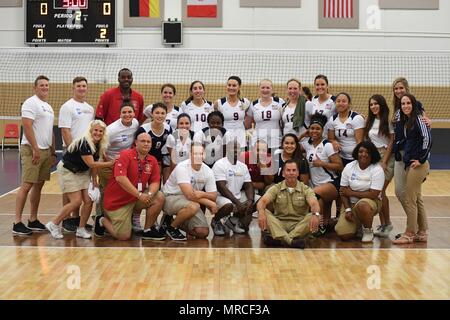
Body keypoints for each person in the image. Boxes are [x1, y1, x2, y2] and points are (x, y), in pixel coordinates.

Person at [46, 120, 114, 239]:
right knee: (76, 201)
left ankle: (81, 229)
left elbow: (94, 164)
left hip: (82, 171)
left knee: (89, 200)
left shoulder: (99, 145)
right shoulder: (84, 142)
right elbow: (92, 164)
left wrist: (94, 180)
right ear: (90, 131)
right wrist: (111, 163)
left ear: (104, 133)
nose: (98, 133)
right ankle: (54, 224)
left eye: (101, 131)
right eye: (95, 130)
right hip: (68, 170)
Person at [94, 131, 165, 241]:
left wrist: (149, 194)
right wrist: (139, 194)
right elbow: (120, 178)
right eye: (143, 141)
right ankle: (102, 219)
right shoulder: (125, 155)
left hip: (135, 198)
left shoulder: (152, 160)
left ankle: (147, 230)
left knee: (159, 197)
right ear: (136, 142)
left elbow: (155, 182)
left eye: (148, 142)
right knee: (124, 236)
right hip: (117, 202)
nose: (146, 144)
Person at [13, 75, 56, 235]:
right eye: (42, 85)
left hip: (45, 151)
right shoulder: (30, 103)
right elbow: (27, 126)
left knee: (39, 185)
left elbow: (50, 130)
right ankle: (17, 222)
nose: (45, 87)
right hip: (32, 150)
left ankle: (33, 219)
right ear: (35, 87)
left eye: (46, 85)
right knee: (26, 185)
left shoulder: (48, 106)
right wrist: (35, 148)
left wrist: (52, 151)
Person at [393, 94, 432, 244]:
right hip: (410, 163)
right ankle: (422, 232)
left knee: (409, 198)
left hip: (418, 164)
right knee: (416, 198)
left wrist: (421, 159)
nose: (405, 106)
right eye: (403, 104)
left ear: (413, 104)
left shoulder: (418, 119)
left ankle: (409, 233)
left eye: (408, 103)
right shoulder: (406, 121)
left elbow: (428, 139)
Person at [58, 76, 95, 232]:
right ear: (73, 88)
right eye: (79, 85)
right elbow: (65, 130)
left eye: (84, 86)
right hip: (72, 152)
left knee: (81, 187)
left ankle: (76, 218)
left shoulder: (90, 108)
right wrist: (73, 149)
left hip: (86, 152)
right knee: (69, 188)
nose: (81, 88)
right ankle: (66, 219)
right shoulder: (67, 106)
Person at [256, 160, 321, 248]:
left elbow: (314, 203)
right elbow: (262, 201)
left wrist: (315, 214)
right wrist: (261, 212)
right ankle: (291, 241)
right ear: (283, 173)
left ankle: (281, 240)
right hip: (279, 224)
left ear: (298, 173)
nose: (291, 173)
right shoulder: (276, 188)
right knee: (264, 212)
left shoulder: (305, 189)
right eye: (288, 170)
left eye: (294, 170)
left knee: (314, 215)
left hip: (298, 226)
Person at [96, 101, 140, 226]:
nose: (127, 114)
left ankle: (123, 218)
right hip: (108, 164)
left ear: (134, 113)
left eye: (129, 112)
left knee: (125, 190)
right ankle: (100, 218)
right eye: (124, 112)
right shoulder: (111, 130)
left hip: (125, 164)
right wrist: (109, 163)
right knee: (107, 191)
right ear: (119, 114)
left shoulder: (135, 123)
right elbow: (101, 148)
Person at [161, 143, 217, 240]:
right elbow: (190, 195)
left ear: (205, 155)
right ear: (190, 154)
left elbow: (214, 195)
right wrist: (210, 203)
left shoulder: (208, 171)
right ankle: (171, 227)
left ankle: (173, 223)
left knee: (203, 232)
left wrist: (203, 193)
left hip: (190, 201)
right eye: (195, 153)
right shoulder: (182, 167)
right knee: (194, 206)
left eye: (201, 153)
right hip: (170, 197)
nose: (198, 156)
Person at [391, 77, 429, 217]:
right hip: (400, 154)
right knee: (408, 194)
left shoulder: (415, 104)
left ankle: (415, 226)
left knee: (407, 193)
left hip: (410, 154)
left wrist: (427, 119)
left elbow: (424, 125)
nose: (399, 90)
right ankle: (417, 226)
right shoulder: (398, 108)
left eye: (401, 88)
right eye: (396, 88)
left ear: (406, 88)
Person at [301, 114, 343, 233]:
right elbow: (290, 145)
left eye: (317, 129)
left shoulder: (327, 145)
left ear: (322, 130)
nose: (314, 131)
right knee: (320, 203)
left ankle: (319, 225)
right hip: (317, 184)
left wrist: (322, 164)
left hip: (332, 183)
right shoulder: (307, 144)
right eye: (312, 128)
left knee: (313, 195)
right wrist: (302, 135)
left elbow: (340, 166)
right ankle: (324, 224)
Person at [335, 141, 385, 243]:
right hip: (350, 203)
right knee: (344, 234)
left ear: (372, 154)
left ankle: (368, 230)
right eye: (361, 151)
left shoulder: (377, 169)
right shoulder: (349, 167)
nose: (363, 154)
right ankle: (357, 226)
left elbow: (373, 194)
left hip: (371, 202)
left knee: (362, 206)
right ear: (356, 153)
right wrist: (348, 209)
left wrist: (352, 193)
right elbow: (343, 191)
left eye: (367, 152)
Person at [363, 94, 395, 238]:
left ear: (382, 104)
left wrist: (384, 161)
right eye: (371, 104)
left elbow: (391, 143)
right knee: (379, 193)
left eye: (376, 104)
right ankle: (383, 225)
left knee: (380, 191)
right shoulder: (370, 121)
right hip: (374, 157)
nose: (373, 106)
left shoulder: (387, 121)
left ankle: (387, 223)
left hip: (386, 158)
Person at [211, 140, 255, 236]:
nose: (235, 151)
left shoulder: (243, 166)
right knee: (228, 205)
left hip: (236, 197)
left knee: (258, 200)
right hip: (221, 197)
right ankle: (216, 220)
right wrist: (237, 202)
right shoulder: (219, 164)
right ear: (227, 150)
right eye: (232, 148)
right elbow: (221, 188)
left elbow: (248, 185)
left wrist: (251, 200)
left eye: (237, 148)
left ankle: (232, 221)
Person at [327, 92, 365, 166]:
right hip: (341, 157)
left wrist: (358, 159)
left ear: (349, 104)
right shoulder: (333, 119)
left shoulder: (356, 118)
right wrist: (334, 141)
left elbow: (360, 142)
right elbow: (330, 138)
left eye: (344, 101)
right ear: (335, 103)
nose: (341, 103)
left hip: (355, 158)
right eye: (338, 101)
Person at [245, 79, 284, 150]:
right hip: (258, 142)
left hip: (275, 141)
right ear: (259, 89)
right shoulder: (253, 104)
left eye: (268, 87)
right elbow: (247, 125)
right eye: (263, 87)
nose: (265, 90)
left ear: (272, 89)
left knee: (275, 161)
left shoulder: (279, 102)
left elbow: (284, 121)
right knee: (259, 161)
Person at [214, 76, 250, 149]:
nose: (231, 87)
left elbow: (248, 119)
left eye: (234, 85)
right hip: (225, 141)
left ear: (239, 87)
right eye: (229, 85)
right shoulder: (219, 103)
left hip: (241, 141)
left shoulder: (245, 102)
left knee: (241, 160)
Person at [302, 74, 336, 139]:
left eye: (322, 84)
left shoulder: (334, 100)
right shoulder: (313, 100)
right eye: (317, 85)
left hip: (328, 139)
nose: (320, 87)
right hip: (314, 139)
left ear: (327, 86)